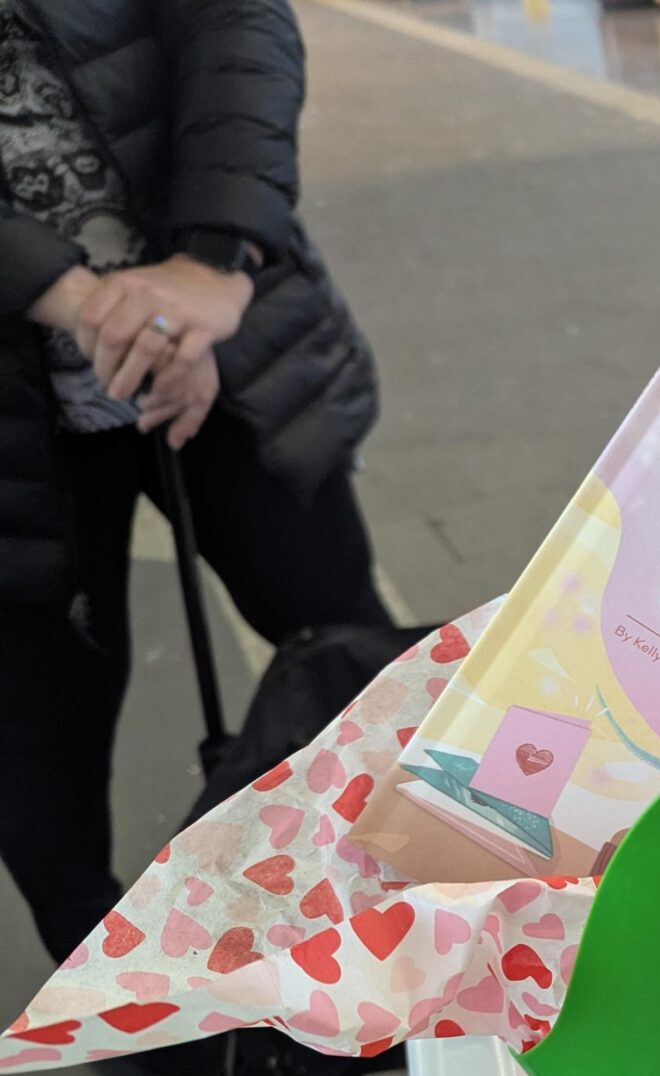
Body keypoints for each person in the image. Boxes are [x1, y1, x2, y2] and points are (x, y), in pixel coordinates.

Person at [0, 0, 390, 967]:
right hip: (20, 413)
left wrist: (214, 260)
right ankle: (116, 989)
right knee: (37, 729)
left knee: (357, 659)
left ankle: (442, 931)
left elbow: (234, 22)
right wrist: (91, 303)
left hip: (225, 337)